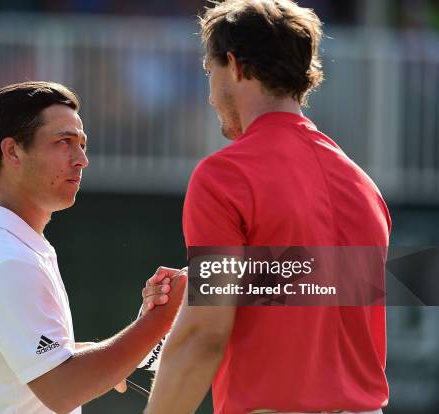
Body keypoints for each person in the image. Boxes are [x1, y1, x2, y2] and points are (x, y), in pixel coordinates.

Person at [145, 1, 391, 413]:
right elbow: (312, 289)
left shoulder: (224, 175)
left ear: (235, 65)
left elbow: (203, 336)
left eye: (210, 73)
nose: (209, 97)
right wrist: (205, 282)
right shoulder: (362, 184)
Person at [0, 81, 186, 414]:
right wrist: (161, 319)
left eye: (82, 144)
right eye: (64, 142)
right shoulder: (9, 261)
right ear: (13, 152)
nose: (81, 160)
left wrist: (76, 355)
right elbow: (63, 391)